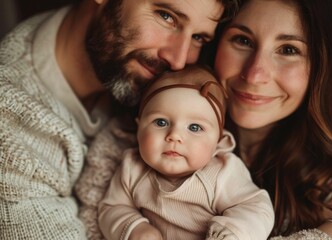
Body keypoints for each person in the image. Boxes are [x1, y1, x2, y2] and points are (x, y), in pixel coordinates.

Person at [0, 0, 241, 239]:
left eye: (198, 37)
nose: (178, 60)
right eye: (166, 16)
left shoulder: (153, 80)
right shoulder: (8, 132)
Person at [213, 0, 332, 239]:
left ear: (319, 68)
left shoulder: (330, 160)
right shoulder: (161, 126)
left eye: (288, 50)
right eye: (243, 40)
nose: (254, 75)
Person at [97, 65, 274, 240]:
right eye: (160, 122)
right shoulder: (132, 168)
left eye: (194, 127)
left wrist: (233, 234)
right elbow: (112, 207)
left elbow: (256, 207)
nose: (174, 136)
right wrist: (135, 229)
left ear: (219, 141)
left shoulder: (222, 173)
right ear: (139, 128)